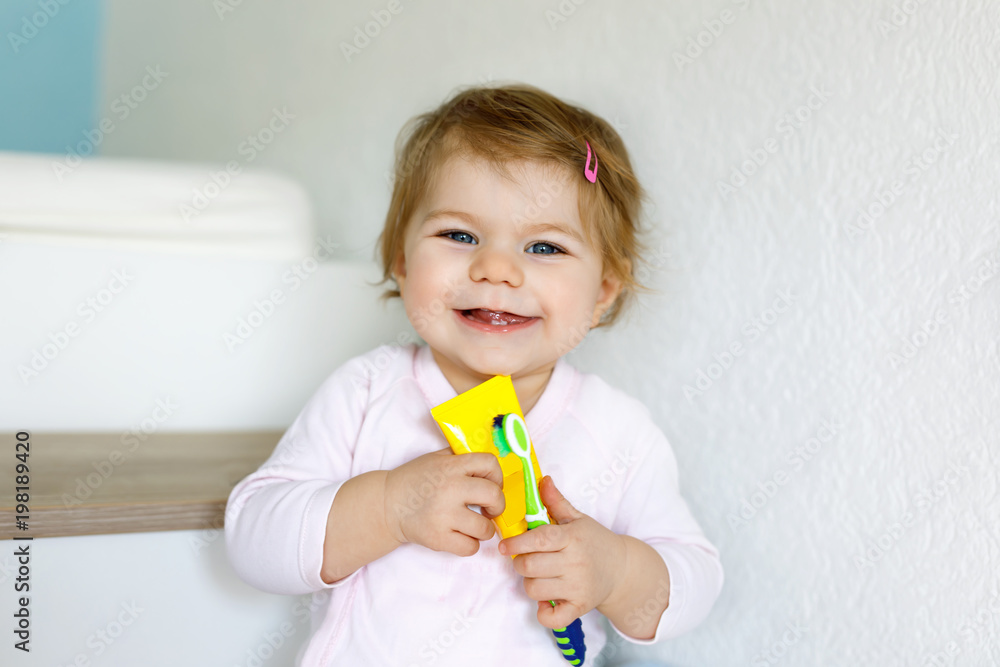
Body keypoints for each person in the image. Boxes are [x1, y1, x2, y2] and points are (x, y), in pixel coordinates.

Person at [225, 83, 723, 666]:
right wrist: (387, 507)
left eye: (544, 247)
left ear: (603, 292)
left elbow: (695, 585)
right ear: (404, 261)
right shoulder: (366, 393)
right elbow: (252, 539)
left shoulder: (618, 432)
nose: (496, 268)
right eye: (459, 236)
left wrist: (614, 573)